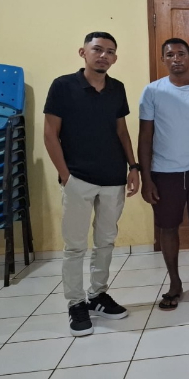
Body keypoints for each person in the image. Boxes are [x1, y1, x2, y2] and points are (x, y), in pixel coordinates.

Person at [43, 32, 139, 336]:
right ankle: (75, 303)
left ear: (115, 57)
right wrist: (65, 175)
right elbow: (50, 133)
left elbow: (122, 132)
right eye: (98, 50)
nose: (104, 56)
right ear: (83, 52)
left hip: (113, 178)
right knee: (74, 246)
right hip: (77, 178)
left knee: (106, 241)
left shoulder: (117, 88)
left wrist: (133, 167)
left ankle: (98, 295)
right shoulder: (63, 86)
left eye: (110, 52)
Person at [138, 38, 189, 310]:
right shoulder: (152, 91)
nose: (176, 59)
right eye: (170, 54)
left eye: (181, 53)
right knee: (168, 228)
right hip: (164, 171)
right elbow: (145, 136)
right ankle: (174, 282)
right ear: (163, 60)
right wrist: (146, 177)